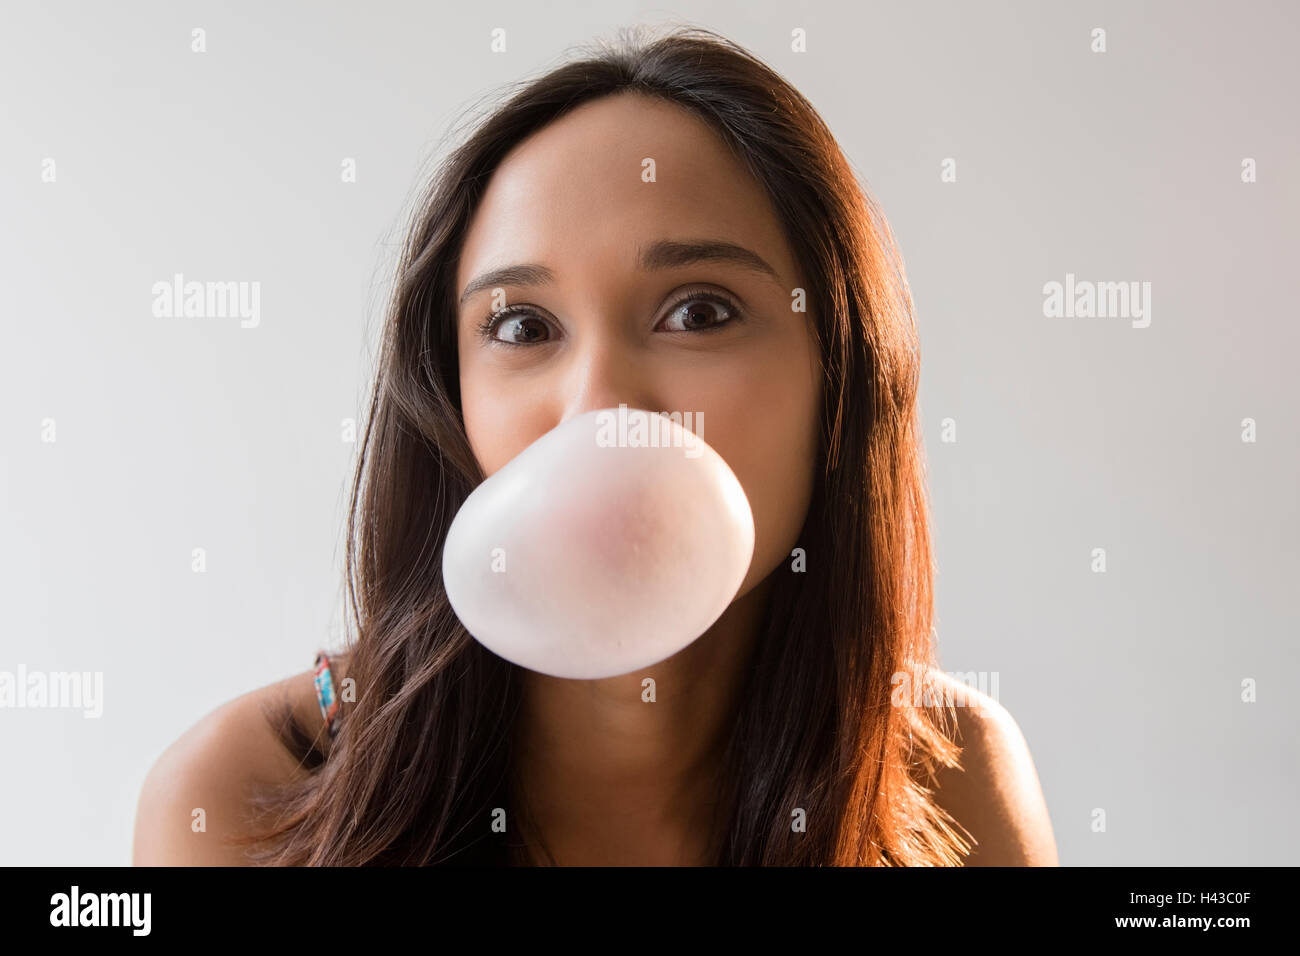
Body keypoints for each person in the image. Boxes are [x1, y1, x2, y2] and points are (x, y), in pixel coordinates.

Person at [133, 25, 1057, 866]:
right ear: (451, 399)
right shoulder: (245, 796)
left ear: (841, 376)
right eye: (524, 327)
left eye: (698, 312)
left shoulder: (951, 780)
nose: (602, 406)